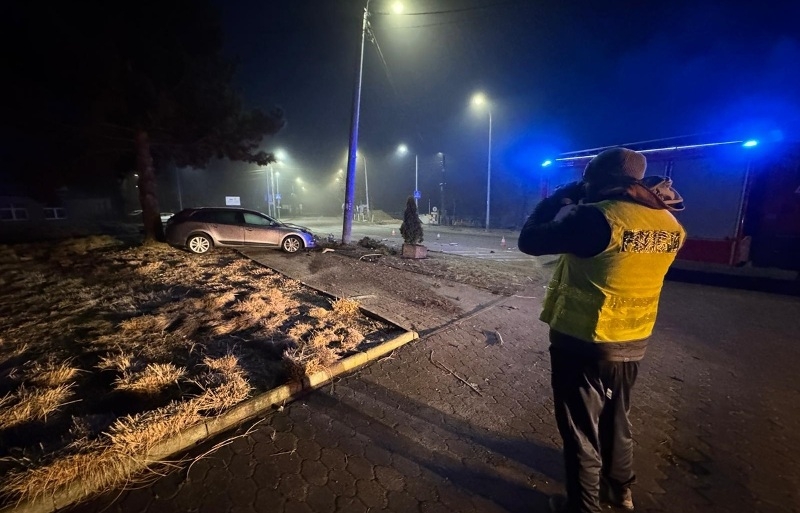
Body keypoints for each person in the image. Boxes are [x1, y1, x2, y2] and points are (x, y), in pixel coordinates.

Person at [517, 148, 686, 513]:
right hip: (633, 340)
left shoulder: (598, 219)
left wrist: (557, 201)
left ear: (599, 180)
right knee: (617, 417)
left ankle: (584, 507)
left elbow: (529, 241)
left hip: (583, 341)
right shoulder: (670, 224)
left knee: (580, 430)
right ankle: (620, 490)